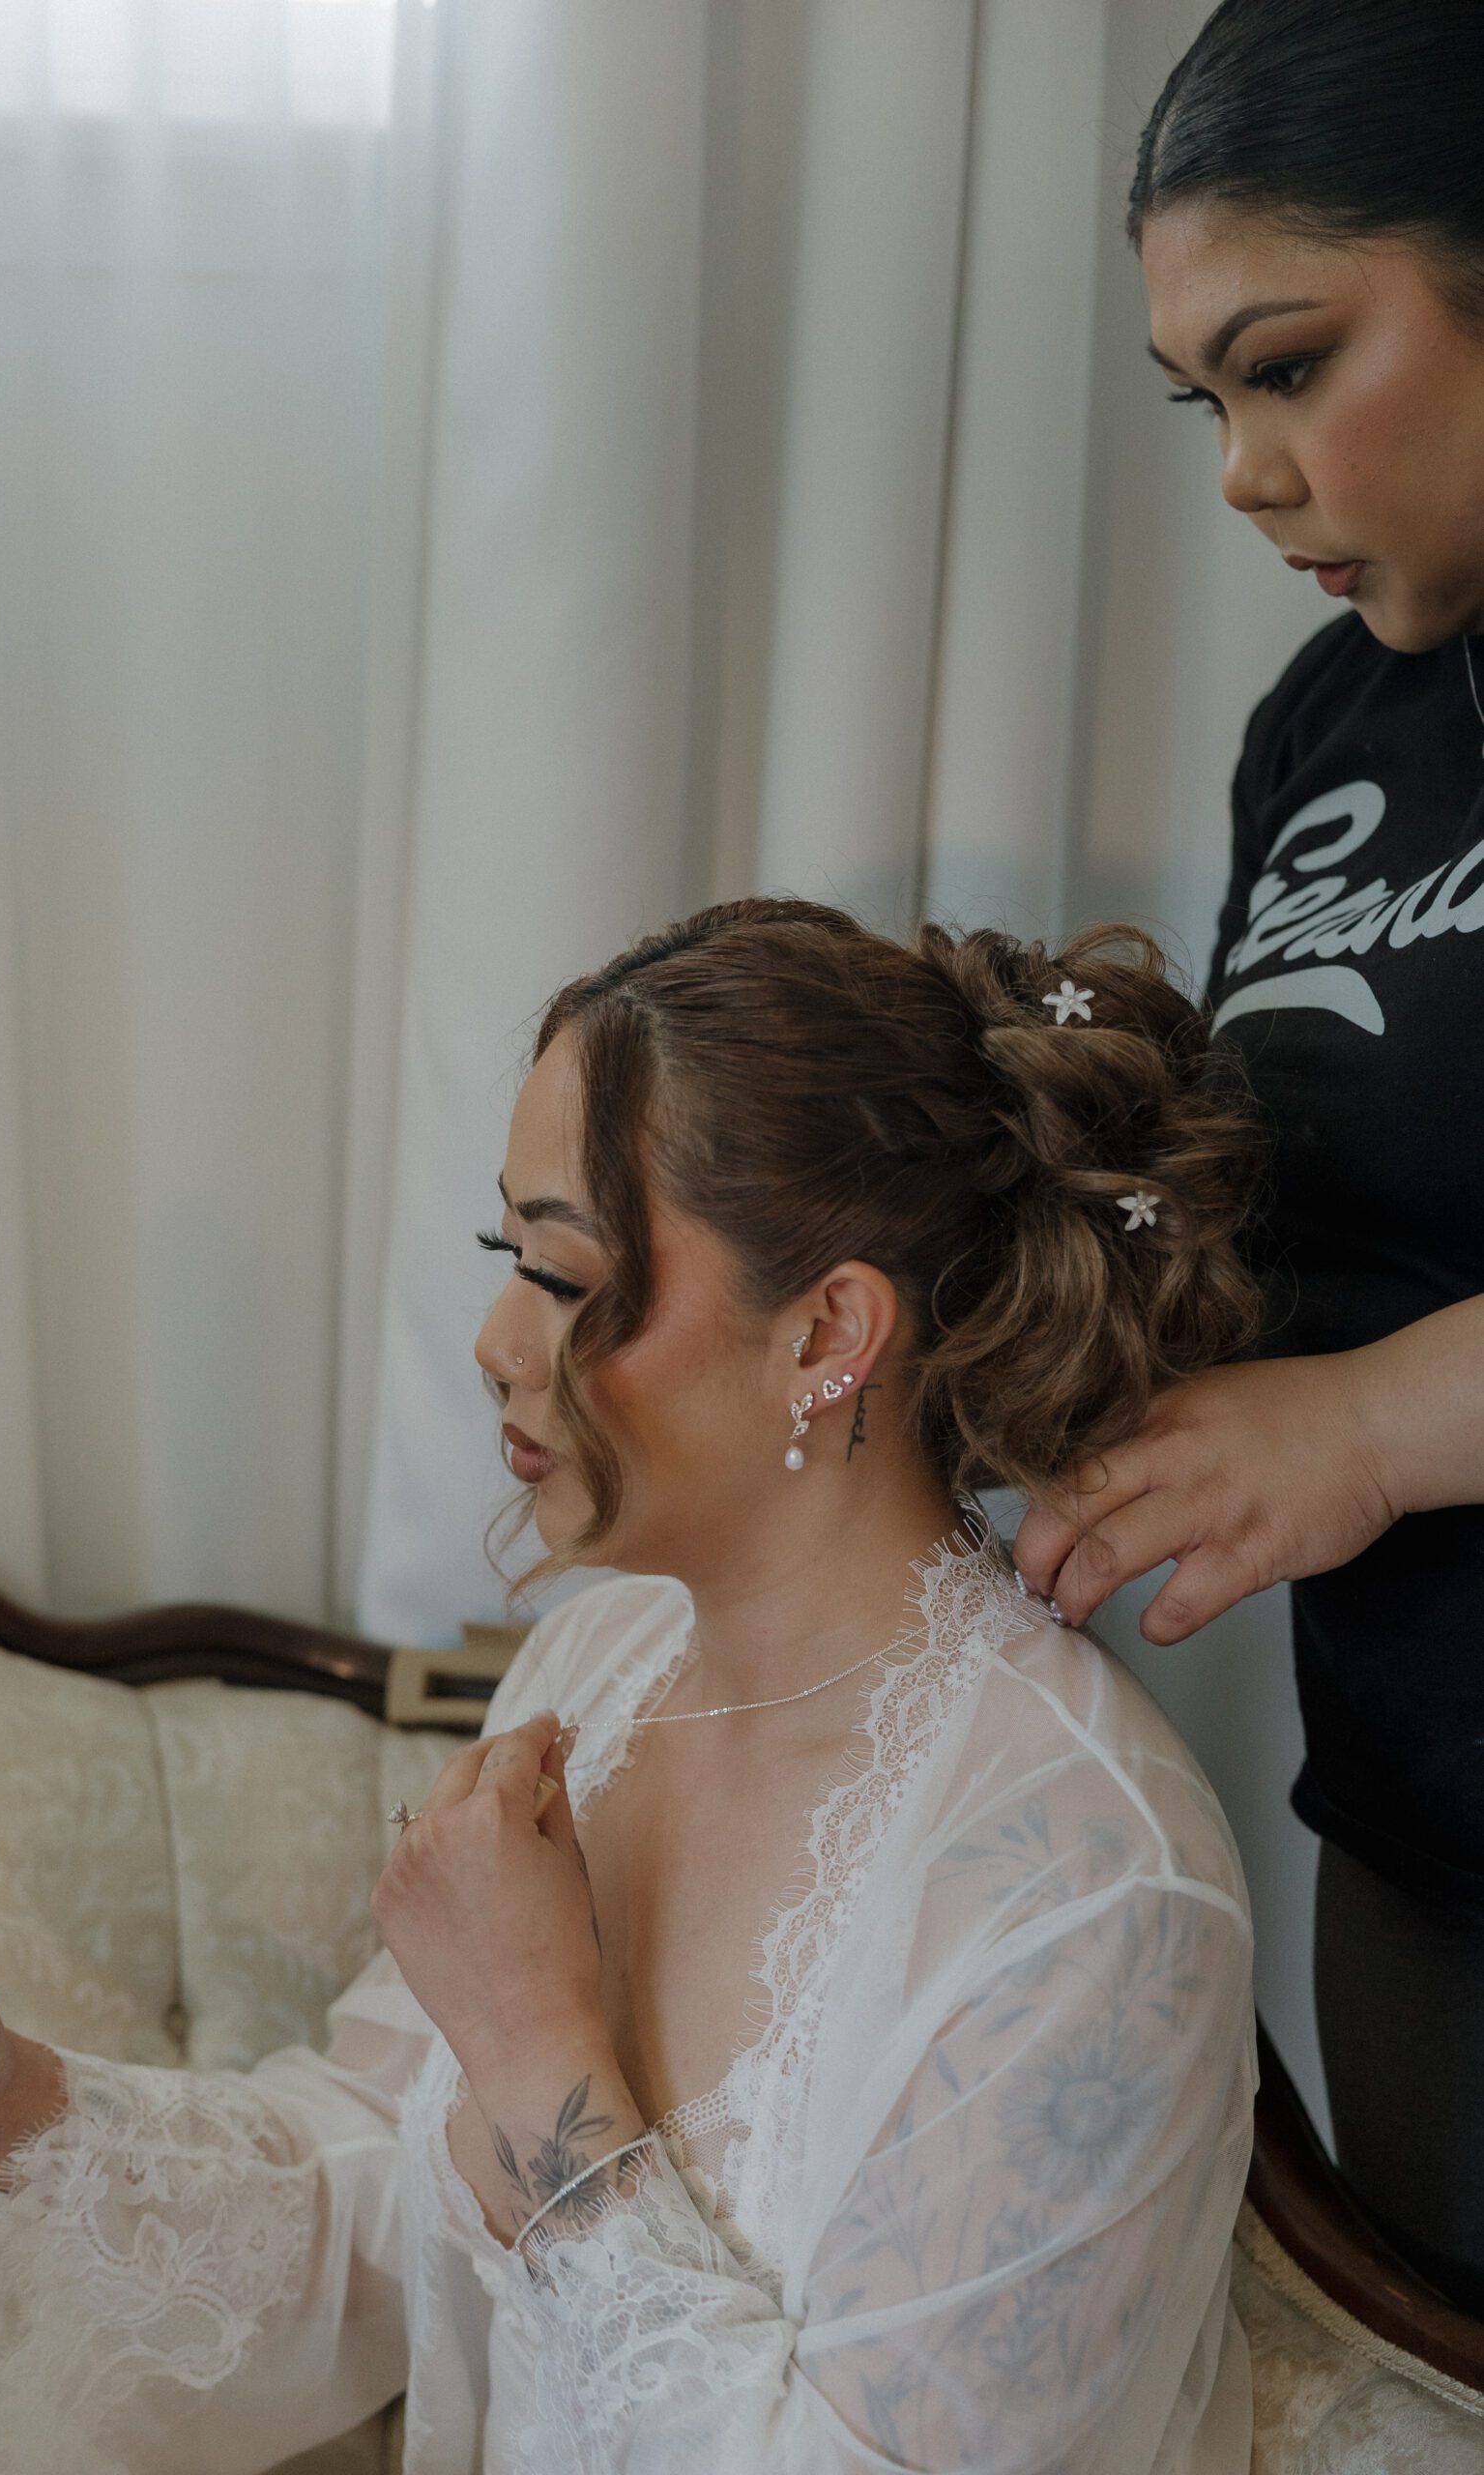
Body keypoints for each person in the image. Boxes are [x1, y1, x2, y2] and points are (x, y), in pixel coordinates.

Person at [0, 904, 1262, 2473]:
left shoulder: (1092, 1893)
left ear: (827, 1330)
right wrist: (9, 2105)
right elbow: (377, 2219)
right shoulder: (598, 1673)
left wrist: (538, 2047)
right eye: (509, 1261)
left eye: (560, 1275)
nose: (494, 1342)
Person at [1015, 0, 1484, 2318]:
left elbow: (1359, 1388)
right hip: (1417, 1850)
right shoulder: (1334, 717)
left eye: (1290, 364)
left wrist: (1384, 1422)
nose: (1241, 472)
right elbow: (1265, 1218)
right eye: (1205, 399)